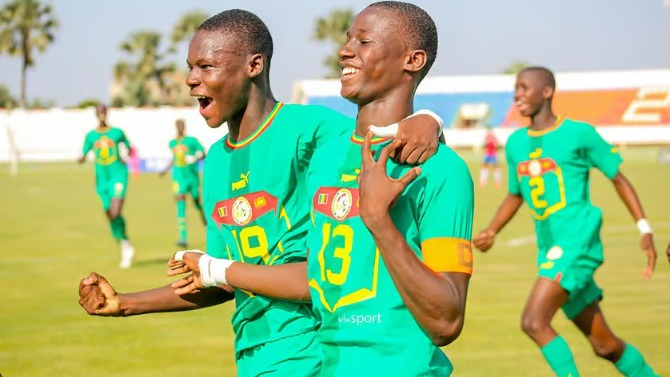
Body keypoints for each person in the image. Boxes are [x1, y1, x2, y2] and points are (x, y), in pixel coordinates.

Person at [78, 8, 444, 377]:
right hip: (253, 354)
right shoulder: (218, 160)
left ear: (254, 65)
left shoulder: (309, 129)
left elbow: (377, 132)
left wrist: (429, 119)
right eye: (191, 67)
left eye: (205, 67)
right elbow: (220, 278)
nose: (191, 80)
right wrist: (124, 303)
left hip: (311, 347)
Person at [169, 2, 473, 376]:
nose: (345, 50)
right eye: (348, 40)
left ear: (413, 60)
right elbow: (309, 275)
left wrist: (378, 218)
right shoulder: (326, 159)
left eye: (364, 41)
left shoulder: (442, 170)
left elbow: (446, 322)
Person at [473, 66, 660, 377]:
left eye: (523, 87)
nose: (517, 95)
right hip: (549, 250)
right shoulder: (517, 143)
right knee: (605, 345)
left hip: (576, 245)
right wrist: (492, 230)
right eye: (515, 89)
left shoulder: (578, 134)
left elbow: (619, 178)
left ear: (546, 91)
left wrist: (644, 227)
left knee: (534, 321)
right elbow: (515, 195)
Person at [78, 103, 135, 269]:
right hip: (101, 180)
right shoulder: (91, 136)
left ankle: (125, 246)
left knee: (116, 210)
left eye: (104, 111)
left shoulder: (117, 132)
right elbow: (84, 153)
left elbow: (129, 147)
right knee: (110, 214)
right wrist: (80, 159)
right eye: (99, 112)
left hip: (118, 175)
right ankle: (124, 241)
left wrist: (126, 154)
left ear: (107, 113)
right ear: (96, 115)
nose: (101, 114)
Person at [159, 118, 207, 248]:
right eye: (178, 126)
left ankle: (203, 215)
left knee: (196, 201)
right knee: (180, 203)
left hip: (192, 177)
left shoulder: (192, 141)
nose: (180, 128)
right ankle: (183, 237)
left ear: (184, 127)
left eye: (182, 126)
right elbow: (174, 159)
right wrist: (164, 170)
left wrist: (195, 158)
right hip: (178, 178)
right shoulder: (172, 143)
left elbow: (203, 153)